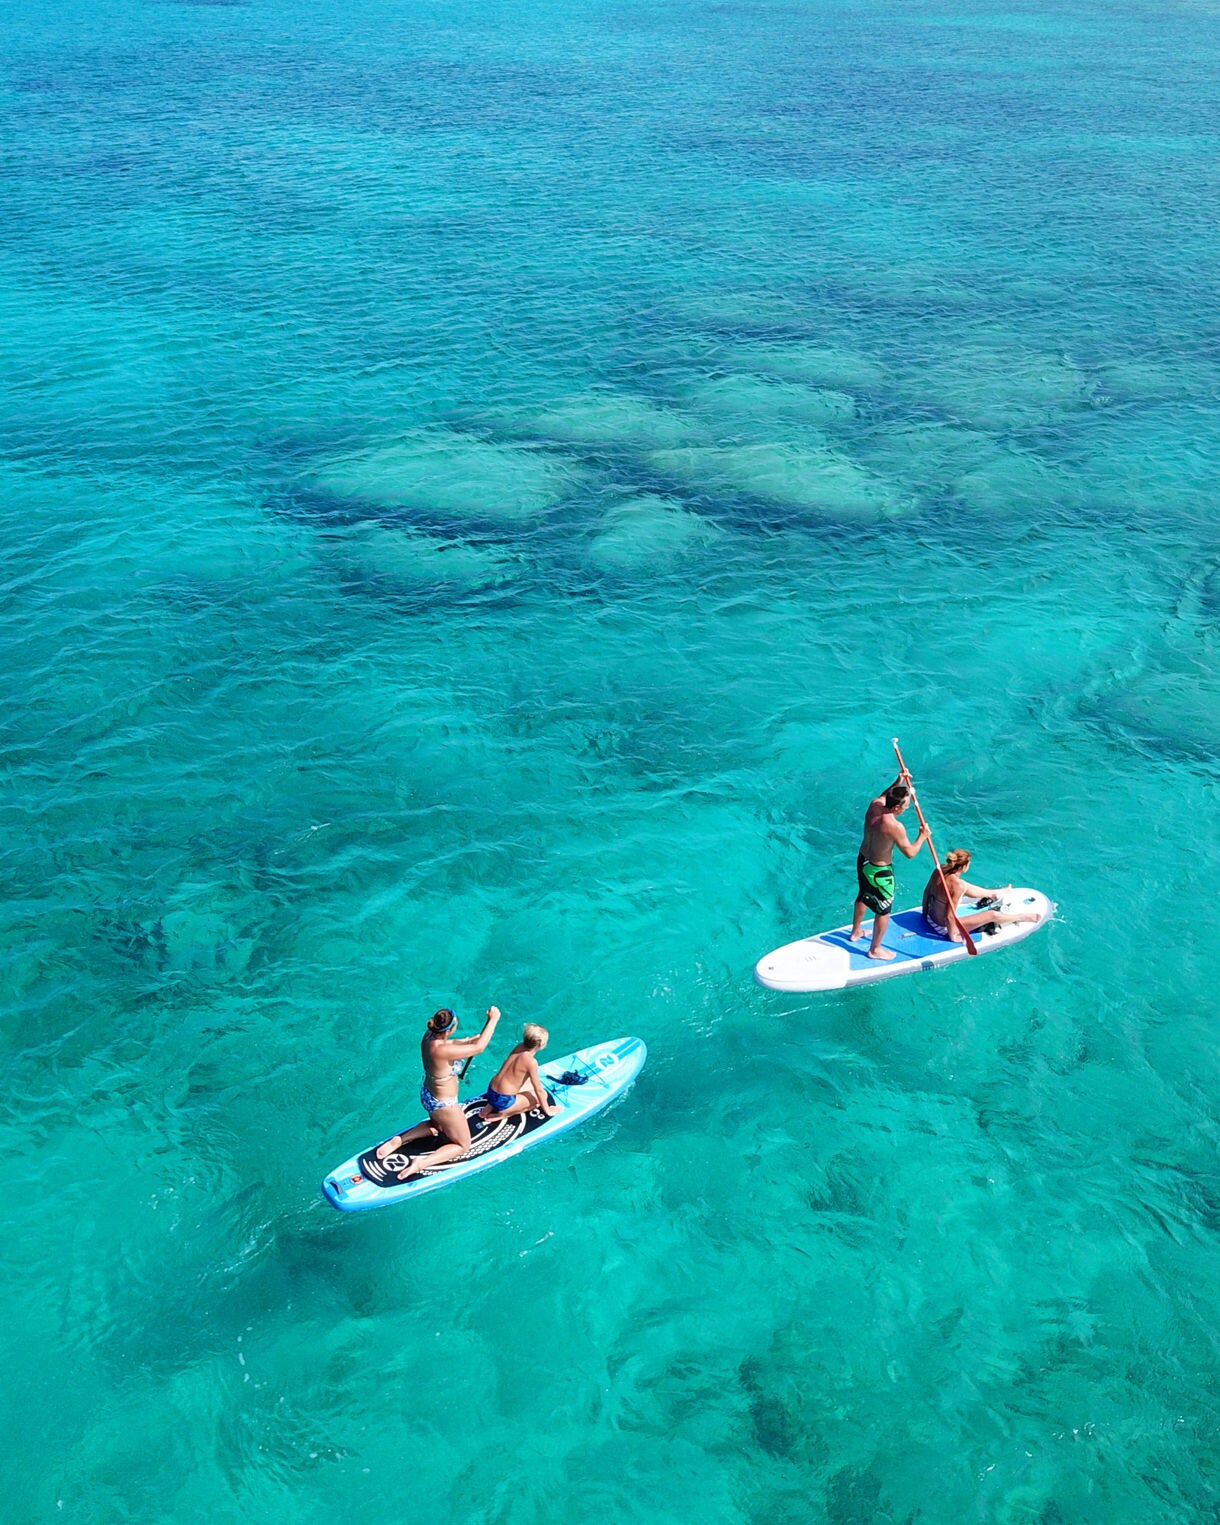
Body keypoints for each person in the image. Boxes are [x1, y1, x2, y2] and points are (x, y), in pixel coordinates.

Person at [375, 1005, 502, 1180]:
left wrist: (468, 1040)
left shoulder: (428, 1037)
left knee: (436, 1127)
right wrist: (493, 1019)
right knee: (463, 1145)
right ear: (449, 1029)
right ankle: (421, 1163)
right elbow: (479, 1048)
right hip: (444, 1105)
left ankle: (399, 1140)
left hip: (428, 1095)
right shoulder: (442, 1050)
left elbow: (448, 1044)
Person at [849, 775, 930, 960]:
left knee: (863, 894)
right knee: (883, 910)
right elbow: (910, 853)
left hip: (863, 861)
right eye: (905, 805)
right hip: (880, 872)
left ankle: (856, 932)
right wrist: (922, 836)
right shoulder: (895, 826)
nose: (907, 807)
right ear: (896, 808)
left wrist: (898, 781)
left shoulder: (874, 806)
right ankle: (875, 949)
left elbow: (884, 795)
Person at [922, 850, 1042, 942]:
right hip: (943, 927)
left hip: (930, 918)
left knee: (965, 886)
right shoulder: (958, 886)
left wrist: (924, 914)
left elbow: (926, 893)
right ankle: (1022, 917)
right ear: (964, 866)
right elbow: (949, 917)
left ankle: (995, 893)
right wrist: (953, 936)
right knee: (992, 915)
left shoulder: (940, 871)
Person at [477, 1024, 559, 1123]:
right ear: (541, 1044)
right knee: (541, 1097)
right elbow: (539, 1090)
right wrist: (548, 1110)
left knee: (527, 1082)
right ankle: (503, 1114)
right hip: (504, 1101)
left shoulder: (519, 1046)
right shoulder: (531, 1062)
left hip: (491, 1090)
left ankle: (490, 1106)